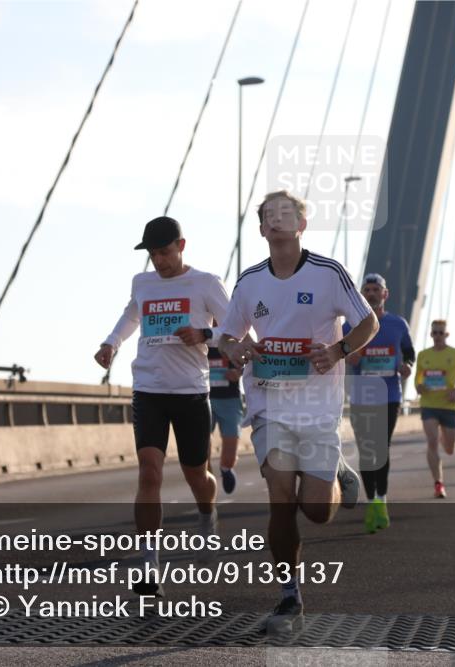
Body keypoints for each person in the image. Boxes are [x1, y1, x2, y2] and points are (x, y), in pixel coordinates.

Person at [218, 190, 378, 635]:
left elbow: (369, 322)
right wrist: (238, 348)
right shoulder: (249, 282)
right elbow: (227, 339)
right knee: (281, 497)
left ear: (301, 225)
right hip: (270, 405)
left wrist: (339, 348)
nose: (276, 220)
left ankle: (340, 469)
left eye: (285, 214)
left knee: (317, 511)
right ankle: (290, 595)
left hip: (318, 407)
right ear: (262, 227)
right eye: (268, 215)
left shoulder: (329, 274)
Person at [94, 216, 228, 597]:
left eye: (165, 252)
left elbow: (238, 328)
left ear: (181, 246)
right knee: (149, 474)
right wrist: (111, 343)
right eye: (153, 255)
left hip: (190, 393)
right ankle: (149, 565)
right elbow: (131, 314)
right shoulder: (143, 282)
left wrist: (204, 334)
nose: (159, 261)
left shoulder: (205, 283)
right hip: (149, 390)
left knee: (196, 478)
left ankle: (207, 512)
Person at [343, 273, 415, 533]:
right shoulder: (350, 325)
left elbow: (409, 352)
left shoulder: (398, 324)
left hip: (389, 396)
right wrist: (348, 357)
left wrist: (407, 365)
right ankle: (372, 497)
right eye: (367, 289)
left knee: (380, 448)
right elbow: (340, 351)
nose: (371, 293)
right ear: (362, 294)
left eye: (376, 289)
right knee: (366, 450)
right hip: (361, 397)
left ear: (385, 294)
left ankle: (380, 501)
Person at [415, 320, 455, 498]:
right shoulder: (423, 355)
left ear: (446, 335)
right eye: (435, 333)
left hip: (449, 406)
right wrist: (419, 386)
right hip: (429, 405)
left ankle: (444, 438)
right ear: (431, 335)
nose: (437, 336)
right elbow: (418, 378)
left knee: (450, 449)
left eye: (441, 333)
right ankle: (438, 483)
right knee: (431, 442)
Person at [208, 343, 244, 493]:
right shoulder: (198, 333)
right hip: (203, 398)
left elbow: (250, 361)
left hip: (229, 400)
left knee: (230, 453)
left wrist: (238, 372)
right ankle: (207, 483)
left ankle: (226, 468)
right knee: (202, 447)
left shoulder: (232, 335)